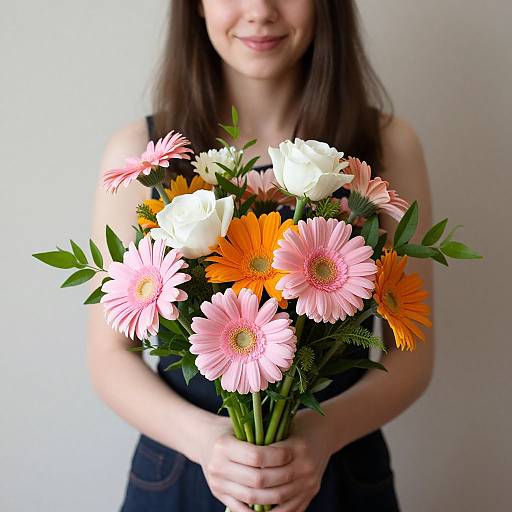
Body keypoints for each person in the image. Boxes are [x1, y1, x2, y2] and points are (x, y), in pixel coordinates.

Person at [88, 1, 434, 511]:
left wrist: (322, 434)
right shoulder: (139, 156)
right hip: (186, 469)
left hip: (336, 467)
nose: (259, 10)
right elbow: (109, 356)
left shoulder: (386, 145)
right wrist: (210, 444)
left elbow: (414, 354)